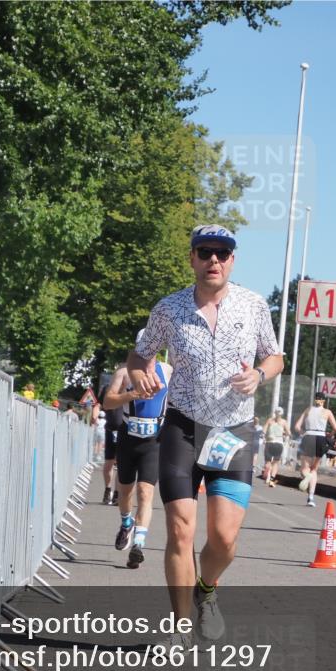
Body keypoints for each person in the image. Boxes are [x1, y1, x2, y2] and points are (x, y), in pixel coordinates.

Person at [127, 224, 282, 647]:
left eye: (223, 253)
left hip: (234, 430)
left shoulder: (253, 306)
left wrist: (259, 374)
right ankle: (178, 628)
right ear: (192, 257)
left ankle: (207, 590)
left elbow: (275, 355)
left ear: (233, 260)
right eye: (205, 252)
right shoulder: (169, 309)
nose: (214, 260)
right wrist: (141, 373)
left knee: (224, 538)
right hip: (183, 426)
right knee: (180, 529)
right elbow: (141, 353)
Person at [101, 330, 172, 569]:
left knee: (145, 492)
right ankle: (126, 523)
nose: (149, 352)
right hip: (128, 438)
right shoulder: (124, 373)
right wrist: (131, 394)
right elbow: (108, 401)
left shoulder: (168, 371)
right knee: (126, 492)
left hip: (154, 441)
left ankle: (138, 545)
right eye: (144, 347)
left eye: (153, 347)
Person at [294, 393, 336, 507]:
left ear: (315, 400)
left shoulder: (308, 410)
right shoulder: (327, 412)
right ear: (324, 401)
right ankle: (311, 498)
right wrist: (329, 435)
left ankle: (306, 477)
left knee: (304, 469)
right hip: (320, 438)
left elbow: (297, 426)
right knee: (314, 469)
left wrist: (303, 433)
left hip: (308, 437)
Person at [96, 375, 125, 505]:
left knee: (121, 464)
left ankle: (117, 494)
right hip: (110, 429)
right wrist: (94, 414)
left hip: (125, 430)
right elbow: (98, 404)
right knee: (109, 463)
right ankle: (108, 491)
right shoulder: (107, 388)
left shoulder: (131, 387)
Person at [262, 408, 290, 487]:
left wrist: (264, 437)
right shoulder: (284, 422)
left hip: (269, 442)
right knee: (276, 463)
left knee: (268, 462)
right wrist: (283, 433)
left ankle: (268, 473)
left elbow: (264, 430)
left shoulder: (270, 420)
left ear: (275, 412)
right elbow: (289, 433)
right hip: (278, 443)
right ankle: (271, 479)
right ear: (282, 413)